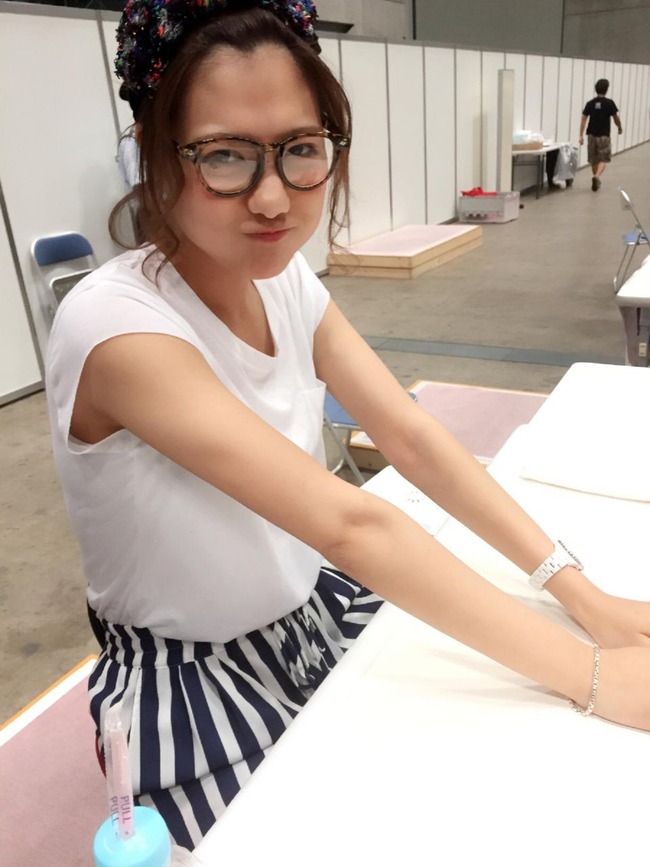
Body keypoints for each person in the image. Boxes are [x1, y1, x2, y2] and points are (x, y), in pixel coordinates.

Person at [46, 0, 650, 851]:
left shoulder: (281, 280)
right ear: (153, 150)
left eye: (300, 148)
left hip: (312, 611)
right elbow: (350, 522)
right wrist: (592, 675)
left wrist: (579, 593)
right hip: (192, 677)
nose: (271, 197)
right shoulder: (115, 327)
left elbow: (410, 434)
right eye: (224, 155)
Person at [579, 78, 622, 191]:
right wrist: (619, 127)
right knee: (603, 159)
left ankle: (595, 178)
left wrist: (581, 135)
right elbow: (615, 118)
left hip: (591, 135)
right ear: (606, 90)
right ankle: (597, 176)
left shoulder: (590, 103)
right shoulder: (609, 103)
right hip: (604, 135)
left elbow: (583, 119)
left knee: (594, 160)